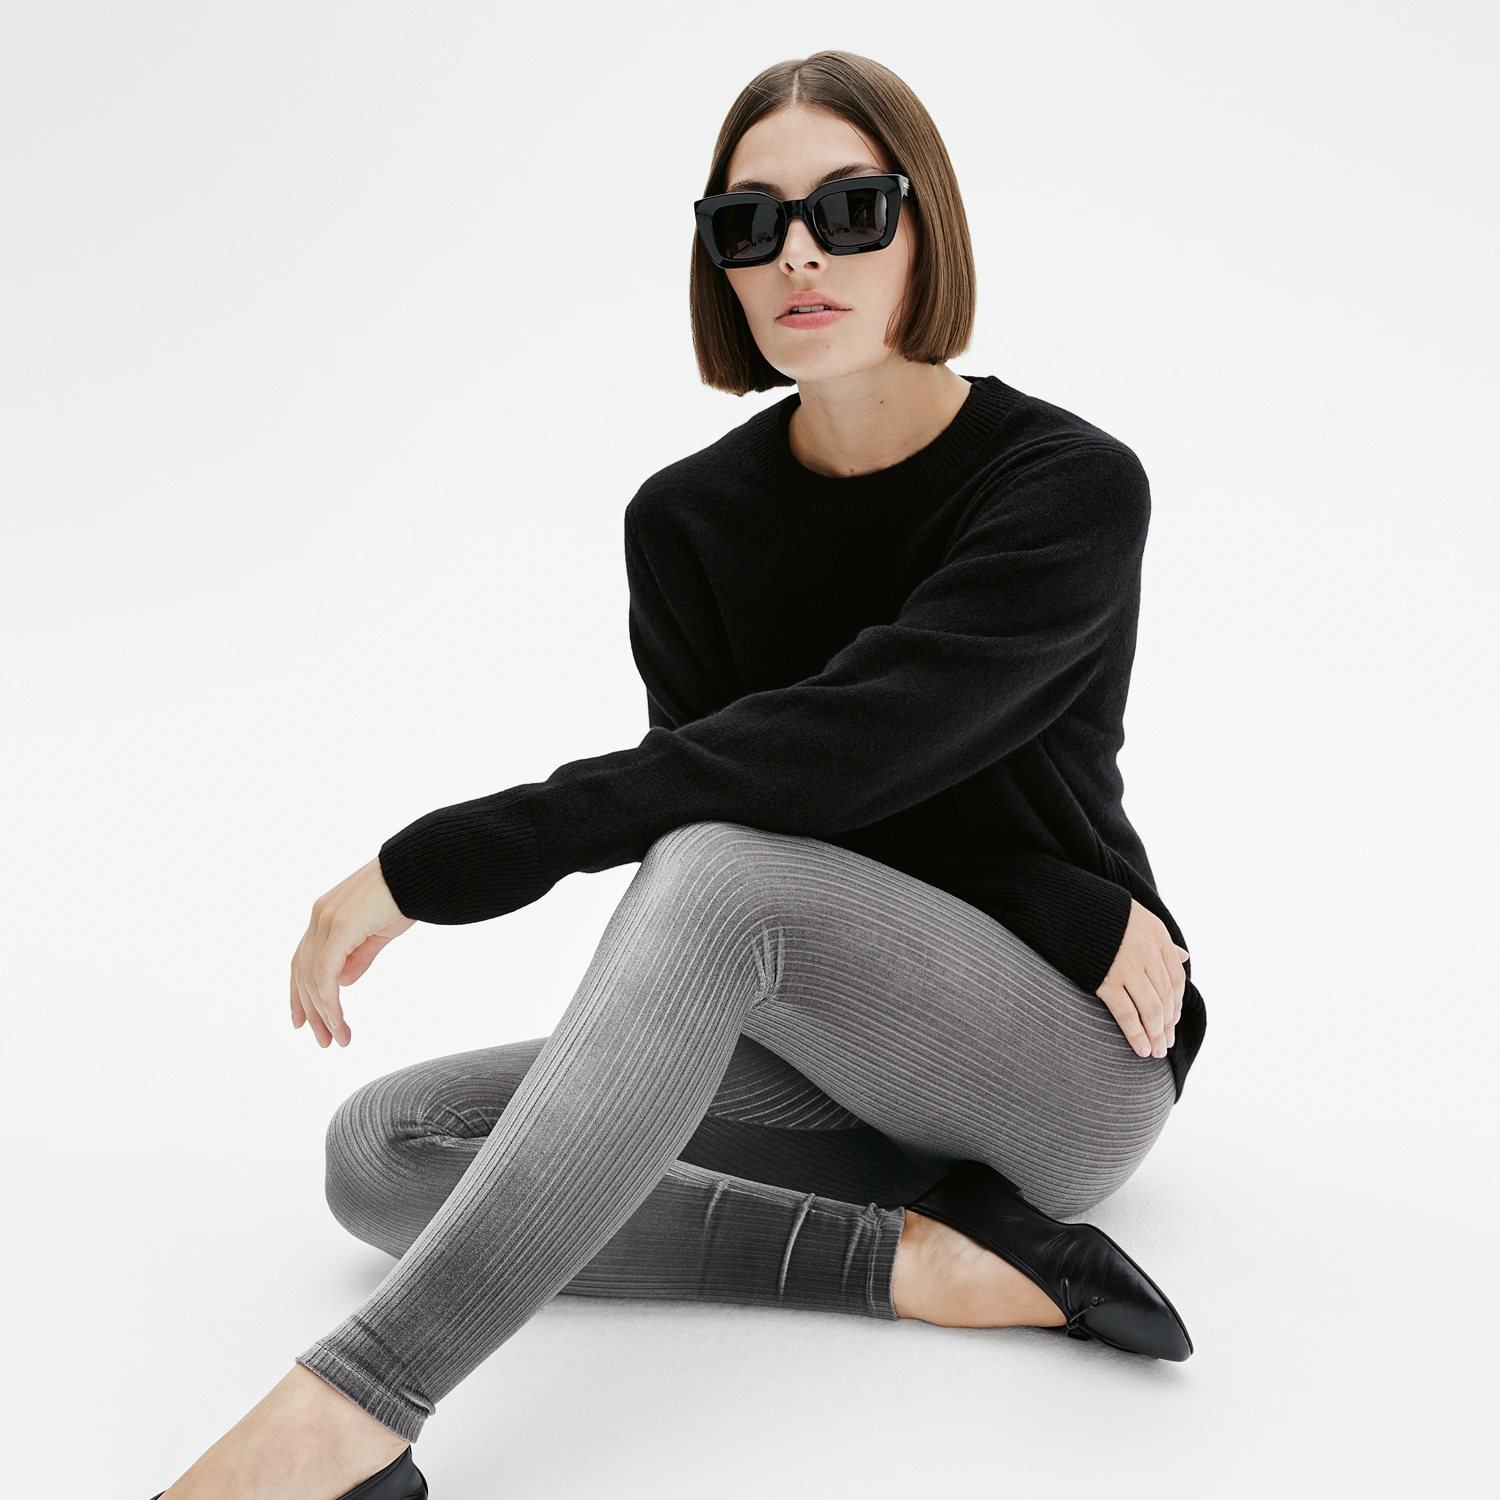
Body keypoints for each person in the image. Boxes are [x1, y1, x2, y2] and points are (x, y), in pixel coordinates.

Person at [151, 49, 1206, 1500]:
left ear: (926, 228)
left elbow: (852, 747)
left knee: (711, 870)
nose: (800, 257)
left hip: (1064, 1051)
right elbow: (753, 789)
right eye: (751, 224)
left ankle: (349, 1414)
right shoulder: (688, 521)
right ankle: (922, 1265)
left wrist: (438, 862)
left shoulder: (1065, 485)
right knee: (386, 1151)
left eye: (851, 209)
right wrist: (1025, 884)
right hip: (836, 1042)